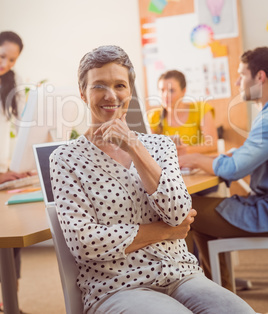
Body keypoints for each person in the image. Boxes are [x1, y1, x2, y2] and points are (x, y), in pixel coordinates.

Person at [49, 45, 254, 314]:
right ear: (82, 93)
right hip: (118, 286)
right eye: (99, 86)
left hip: (182, 273)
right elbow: (83, 242)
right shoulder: (65, 158)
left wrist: (135, 147)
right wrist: (165, 232)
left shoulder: (159, 146)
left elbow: (179, 213)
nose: (111, 95)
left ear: (130, 92)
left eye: (119, 85)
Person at [179, 46, 268, 290]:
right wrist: (226, 155)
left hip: (264, 213)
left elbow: (235, 169)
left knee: (184, 213)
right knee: (200, 218)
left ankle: (188, 292)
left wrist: (195, 161)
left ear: (260, 77)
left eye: (242, 75)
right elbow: (250, 153)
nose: (238, 81)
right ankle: (220, 293)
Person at [0, 30, 30, 304]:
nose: (5, 64)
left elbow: (25, 126)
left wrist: (25, 163)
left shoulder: (11, 83)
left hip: (3, 172)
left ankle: (11, 303)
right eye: (1, 56)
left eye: (11, 60)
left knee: (10, 239)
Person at [147, 70, 218, 156]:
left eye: (171, 90)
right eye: (162, 90)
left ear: (183, 91)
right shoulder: (154, 116)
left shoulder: (201, 109)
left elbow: (213, 145)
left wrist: (187, 150)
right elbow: (150, 149)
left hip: (197, 165)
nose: (165, 95)